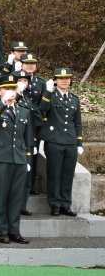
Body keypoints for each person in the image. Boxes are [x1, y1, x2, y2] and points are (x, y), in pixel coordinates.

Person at [0, 76, 33, 244]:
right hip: (1, 158)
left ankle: (14, 230)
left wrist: (27, 160)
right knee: (2, 195)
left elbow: (27, 138)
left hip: (18, 158)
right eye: (6, 89)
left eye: (13, 89)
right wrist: (3, 102)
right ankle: (2, 231)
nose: (11, 92)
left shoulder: (23, 110)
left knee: (16, 197)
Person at [38, 67, 83, 217]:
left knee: (67, 175)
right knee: (54, 173)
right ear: (55, 80)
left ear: (70, 80)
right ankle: (55, 204)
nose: (64, 81)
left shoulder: (74, 99)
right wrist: (48, 92)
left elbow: (77, 123)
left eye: (67, 78)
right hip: (54, 140)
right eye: (61, 78)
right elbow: (41, 109)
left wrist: (79, 143)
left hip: (70, 141)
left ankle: (65, 204)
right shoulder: (49, 95)